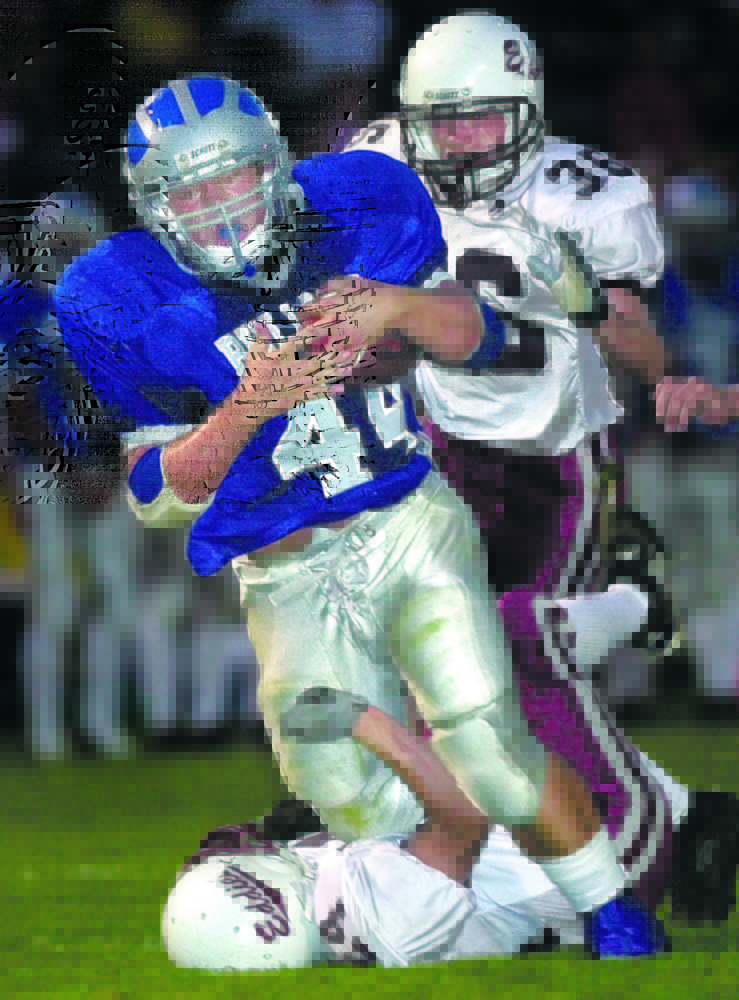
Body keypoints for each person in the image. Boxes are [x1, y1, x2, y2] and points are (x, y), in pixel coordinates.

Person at [55, 74, 668, 955]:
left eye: (233, 179)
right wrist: (246, 410)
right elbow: (155, 499)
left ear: (276, 169)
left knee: (486, 736)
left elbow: (479, 336)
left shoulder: (356, 207)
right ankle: (491, 903)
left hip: (407, 519)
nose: (221, 211)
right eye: (192, 193)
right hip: (287, 570)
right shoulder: (123, 298)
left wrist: (397, 306)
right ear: (153, 208)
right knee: (336, 782)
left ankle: (612, 910)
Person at [300, 12, 739, 925]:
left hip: (554, 457)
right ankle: (669, 812)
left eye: (480, 120)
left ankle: (643, 835)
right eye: (441, 120)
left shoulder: (589, 192)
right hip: (438, 444)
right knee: (443, 670)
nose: (458, 141)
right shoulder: (377, 161)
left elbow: (621, 316)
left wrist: (657, 374)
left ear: (530, 108)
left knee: (500, 663)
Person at [162, 685, 675, 969]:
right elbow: (463, 819)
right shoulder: (382, 921)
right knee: (508, 642)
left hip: (541, 826)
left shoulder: (319, 909)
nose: (234, 853)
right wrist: (364, 721)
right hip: (603, 841)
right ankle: (614, 915)